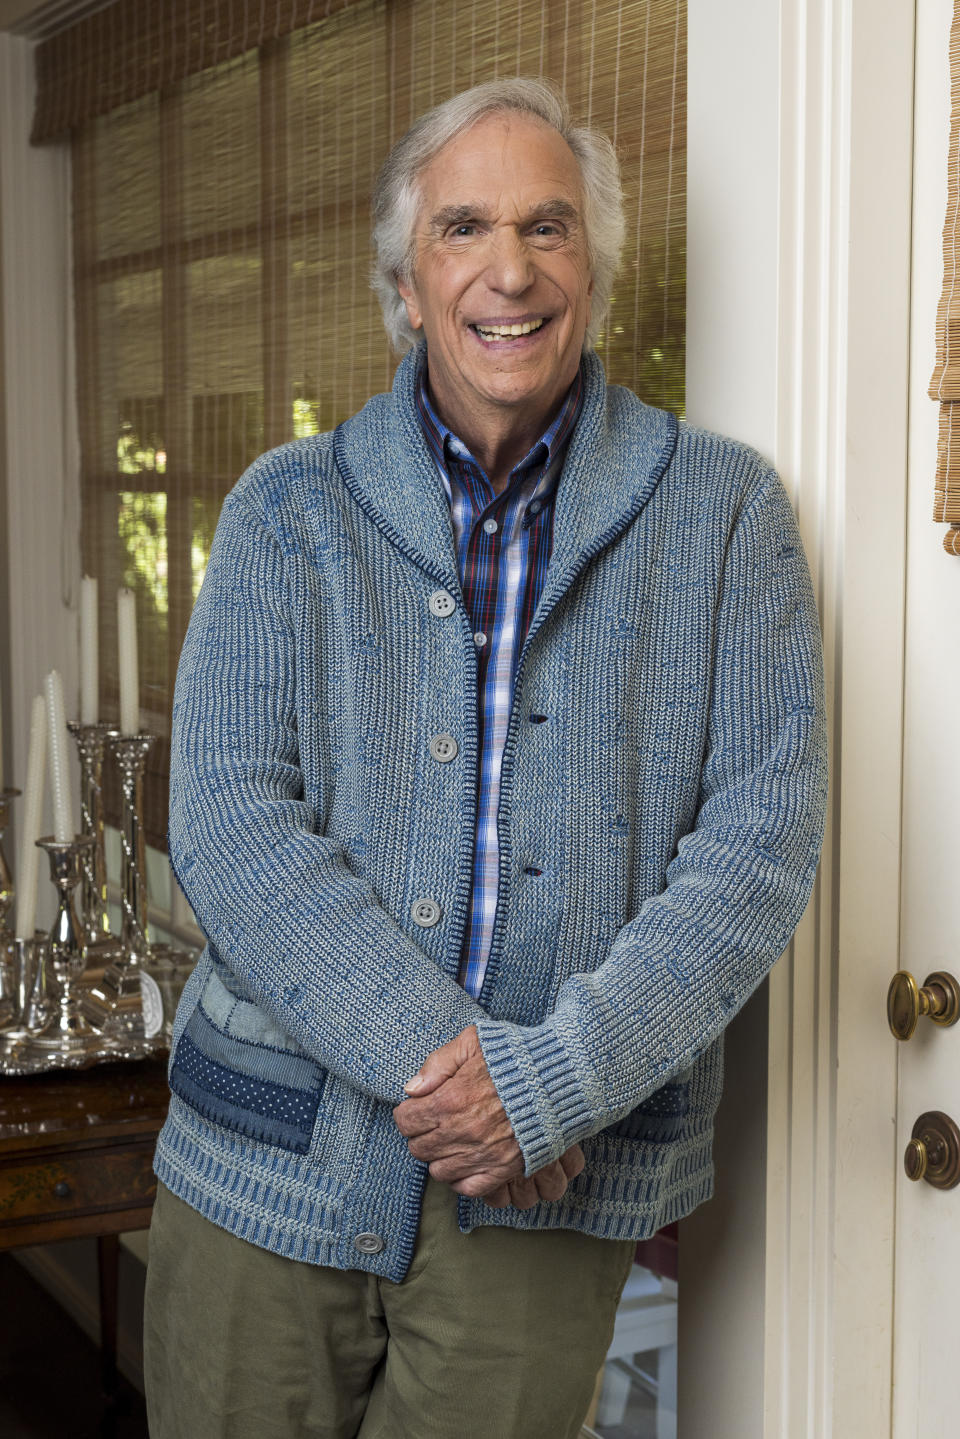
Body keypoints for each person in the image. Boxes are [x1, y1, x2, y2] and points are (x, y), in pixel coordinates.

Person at [144, 77, 827, 1438]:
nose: (509, 268)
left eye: (548, 227)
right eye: (464, 228)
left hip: (546, 1195)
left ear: (595, 272)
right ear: (406, 287)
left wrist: (546, 1090)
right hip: (263, 1168)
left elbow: (757, 852)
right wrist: (459, 1071)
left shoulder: (727, 515)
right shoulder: (287, 511)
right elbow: (228, 818)